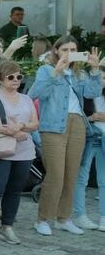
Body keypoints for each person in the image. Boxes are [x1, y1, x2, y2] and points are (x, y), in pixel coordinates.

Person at [29, 39, 103, 235]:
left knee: (72, 174)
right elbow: (35, 94)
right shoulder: (46, 70)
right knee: (55, 175)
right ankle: (43, 219)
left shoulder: (79, 73)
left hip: (77, 123)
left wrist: (95, 70)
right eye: (65, 49)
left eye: (73, 49)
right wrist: (56, 71)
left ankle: (64, 218)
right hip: (53, 125)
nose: (69, 53)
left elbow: (92, 92)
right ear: (56, 50)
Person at [0, 60, 39, 244]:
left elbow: (35, 123)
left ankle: (7, 226)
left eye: (19, 76)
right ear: (0, 79)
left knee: (15, 189)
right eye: (10, 77)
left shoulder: (26, 98)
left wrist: (22, 126)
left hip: (24, 150)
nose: (15, 80)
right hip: (0, 149)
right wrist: (8, 130)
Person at [73, 91, 105, 231]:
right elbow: (75, 117)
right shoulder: (84, 95)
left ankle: (104, 218)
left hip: (103, 139)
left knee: (103, 181)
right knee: (81, 178)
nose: (102, 81)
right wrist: (91, 117)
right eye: (100, 77)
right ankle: (80, 215)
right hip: (88, 138)